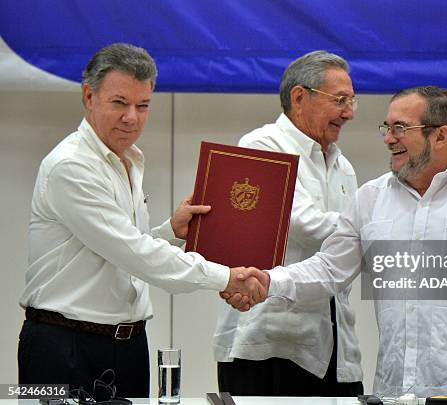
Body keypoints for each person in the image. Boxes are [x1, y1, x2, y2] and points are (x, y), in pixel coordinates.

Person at [229, 86, 447, 397]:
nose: (387, 138)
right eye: (386, 127)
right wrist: (269, 280)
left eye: (400, 128)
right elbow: (329, 269)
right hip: (398, 390)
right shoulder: (370, 199)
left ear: (440, 135)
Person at [18, 43, 266, 398]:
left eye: (143, 105)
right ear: (89, 96)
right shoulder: (71, 166)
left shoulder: (128, 160)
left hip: (127, 346)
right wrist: (226, 277)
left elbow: (120, 255)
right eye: (120, 102)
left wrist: (170, 232)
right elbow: (133, 252)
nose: (132, 117)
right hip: (64, 349)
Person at [214, 51, 364, 396]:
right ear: (300, 97)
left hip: (335, 346)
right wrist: (373, 224)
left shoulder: (345, 168)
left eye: (352, 101)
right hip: (266, 343)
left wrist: (363, 232)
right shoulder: (262, 146)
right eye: (340, 100)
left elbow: (346, 253)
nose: (349, 113)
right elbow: (305, 226)